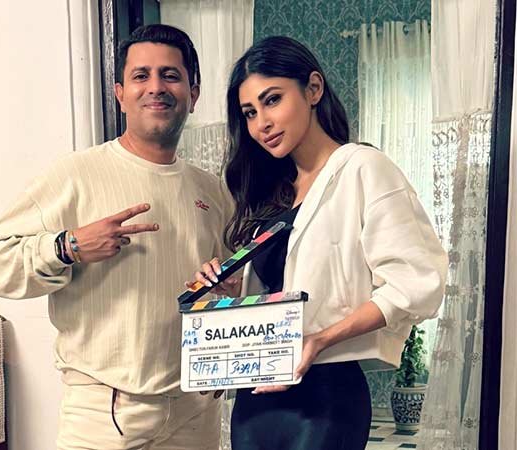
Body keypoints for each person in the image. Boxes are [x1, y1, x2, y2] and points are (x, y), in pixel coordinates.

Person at [0, 24, 232, 450]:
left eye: (170, 75)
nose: (156, 87)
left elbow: (228, 288)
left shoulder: (212, 191)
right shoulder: (76, 174)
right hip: (104, 412)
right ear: (120, 93)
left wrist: (226, 316)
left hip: (195, 411)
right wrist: (68, 246)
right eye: (141, 76)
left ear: (193, 93)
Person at [191, 36, 448, 450]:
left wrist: (321, 339)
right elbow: (290, 288)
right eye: (250, 113)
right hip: (257, 401)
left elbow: (417, 282)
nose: (261, 124)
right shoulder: (273, 192)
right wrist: (231, 288)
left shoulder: (363, 168)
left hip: (327, 394)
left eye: (272, 100)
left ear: (313, 89)